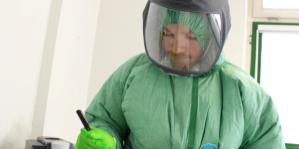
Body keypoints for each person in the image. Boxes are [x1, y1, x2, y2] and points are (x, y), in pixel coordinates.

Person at [74, 0, 285, 148]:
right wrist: (105, 140)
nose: (176, 48)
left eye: (191, 36)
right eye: (168, 33)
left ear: (212, 36)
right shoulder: (134, 74)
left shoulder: (243, 92)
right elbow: (104, 121)